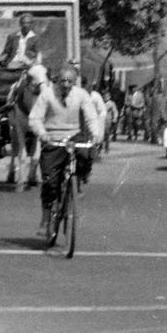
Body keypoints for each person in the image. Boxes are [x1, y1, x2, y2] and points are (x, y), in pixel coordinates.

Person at [29, 64, 101, 238]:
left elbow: (91, 116)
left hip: (73, 136)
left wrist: (96, 134)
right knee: (49, 182)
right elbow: (35, 118)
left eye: (70, 81)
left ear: (75, 81)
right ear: (57, 80)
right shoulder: (47, 94)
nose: (66, 84)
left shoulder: (81, 95)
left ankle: (77, 184)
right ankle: (46, 219)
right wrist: (42, 133)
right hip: (53, 138)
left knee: (85, 155)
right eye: (63, 80)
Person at [6, 64, 46, 188]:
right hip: (25, 73)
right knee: (16, 87)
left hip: (37, 77)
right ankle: (15, 170)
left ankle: (32, 174)